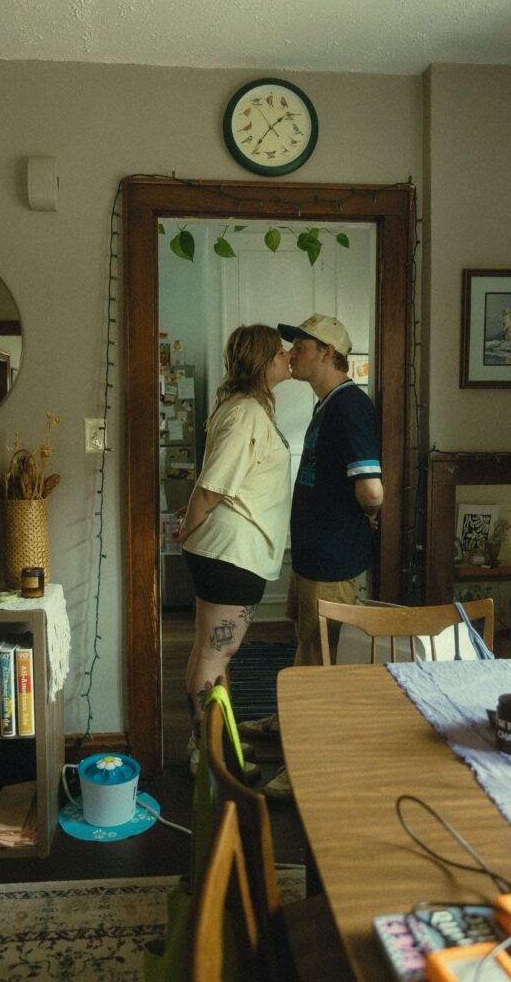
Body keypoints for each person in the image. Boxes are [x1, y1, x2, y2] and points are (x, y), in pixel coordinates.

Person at [240, 313, 383, 800]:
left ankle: (307, 768)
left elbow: (371, 489)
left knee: (325, 660)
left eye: (299, 344)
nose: (291, 352)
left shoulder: (350, 406)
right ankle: (287, 725)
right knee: (306, 643)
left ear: (326, 351)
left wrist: (369, 512)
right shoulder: (328, 405)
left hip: (334, 555)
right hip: (315, 552)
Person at [177, 324, 292, 780]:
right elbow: (211, 487)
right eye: (279, 353)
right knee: (213, 655)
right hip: (230, 553)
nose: (287, 357)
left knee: (211, 652)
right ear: (263, 362)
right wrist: (187, 527)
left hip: (232, 552)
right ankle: (209, 755)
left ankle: (215, 742)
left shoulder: (246, 406)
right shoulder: (246, 412)